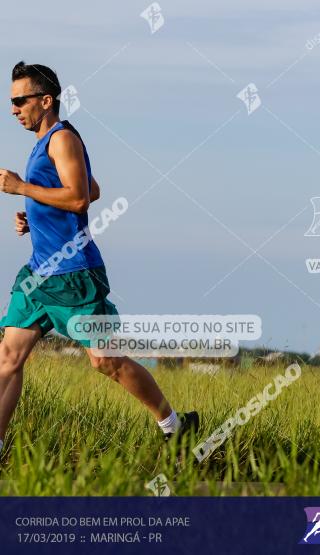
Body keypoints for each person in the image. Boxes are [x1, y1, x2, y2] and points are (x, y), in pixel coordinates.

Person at [0, 61, 198, 456]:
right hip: (38, 275)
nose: (13, 109)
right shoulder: (44, 143)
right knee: (8, 357)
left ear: (46, 100)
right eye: (11, 102)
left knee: (106, 361)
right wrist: (36, 217)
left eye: (20, 100)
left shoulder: (62, 140)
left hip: (74, 276)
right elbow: (91, 188)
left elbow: (78, 196)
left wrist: (23, 187)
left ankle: (174, 426)